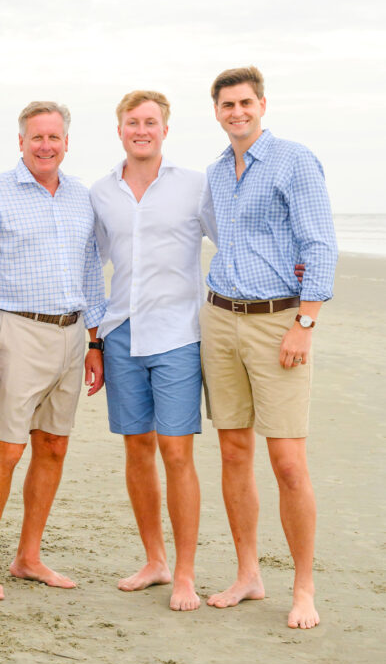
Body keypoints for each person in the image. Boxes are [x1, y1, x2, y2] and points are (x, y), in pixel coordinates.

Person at [201, 65, 337, 629]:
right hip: (219, 318)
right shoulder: (214, 172)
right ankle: (248, 574)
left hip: (277, 320)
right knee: (234, 453)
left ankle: (303, 589)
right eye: (227, 104)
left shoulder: (293, 160)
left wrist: (305, 322)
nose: (237, 112)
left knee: (287, 462)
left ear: (262, 104)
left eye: (245, 102)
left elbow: (320, 241)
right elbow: (217, 236)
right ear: (216, 111)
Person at [0, 101, 105, 601]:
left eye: (55, 138)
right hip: (16, 332)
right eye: (37, 137)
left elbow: (91, 272)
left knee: (53, 445)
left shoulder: (81, 197)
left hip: (71, 334)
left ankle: (28, 557)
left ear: (67, 142)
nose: (46, 145)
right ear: (20, 141)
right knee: (8, 448)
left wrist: (94, 341)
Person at [90, 90, 216, 611]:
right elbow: (87, 267)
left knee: (176, 451)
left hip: (177, 335)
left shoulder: (194, 187)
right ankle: (155, 561)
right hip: (121, 334)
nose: (141, 129)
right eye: (132, 122)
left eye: (150, 122)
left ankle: (185, 573)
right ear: (119, 129)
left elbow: (231, 239)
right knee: (137, 448)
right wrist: (95, 340)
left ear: (165, 129)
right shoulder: (101, 193)